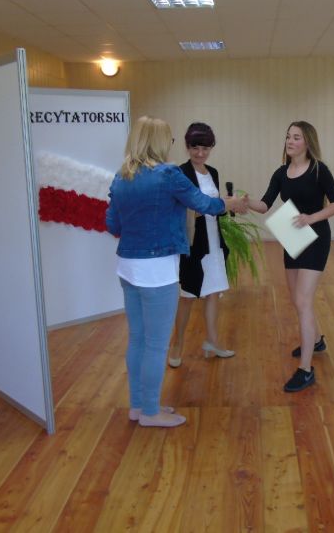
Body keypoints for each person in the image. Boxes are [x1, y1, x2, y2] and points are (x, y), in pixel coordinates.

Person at [105, 116, 248, 427]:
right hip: (158, 271)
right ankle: (151, 413)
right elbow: (205, 204)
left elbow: (112, 224)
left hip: (128, 268)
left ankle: (139, 406)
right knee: (156, 344)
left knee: (138, 339)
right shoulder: (168, 174)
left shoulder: (121, 176)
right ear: (159, 142)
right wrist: (231, 203)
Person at [246, 121, 334, 392]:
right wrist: (245, 202)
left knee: (302, 300)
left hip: (316, 239)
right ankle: (317, 341)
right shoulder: (281, 173)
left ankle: (306, 370)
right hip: (292, 238)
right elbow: (264, 204)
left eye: (296, 137)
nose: (290, 141)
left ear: (307, 142)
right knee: (298, 300)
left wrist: (312, 217)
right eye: (288, 136)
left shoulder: (319, 170)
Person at [168, 122, 235, 368]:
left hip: (213, 241)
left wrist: (228, 205)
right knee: (187, 295)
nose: (200, 153)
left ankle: (212, 342)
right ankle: (177, 344)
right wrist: (210, 206)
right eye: (195, 148)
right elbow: (180, 209)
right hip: (193, 243)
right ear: (187, 147)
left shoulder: (213, 172)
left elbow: (216, 208)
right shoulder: (180, 173)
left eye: (205, 148)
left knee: (213, 292)